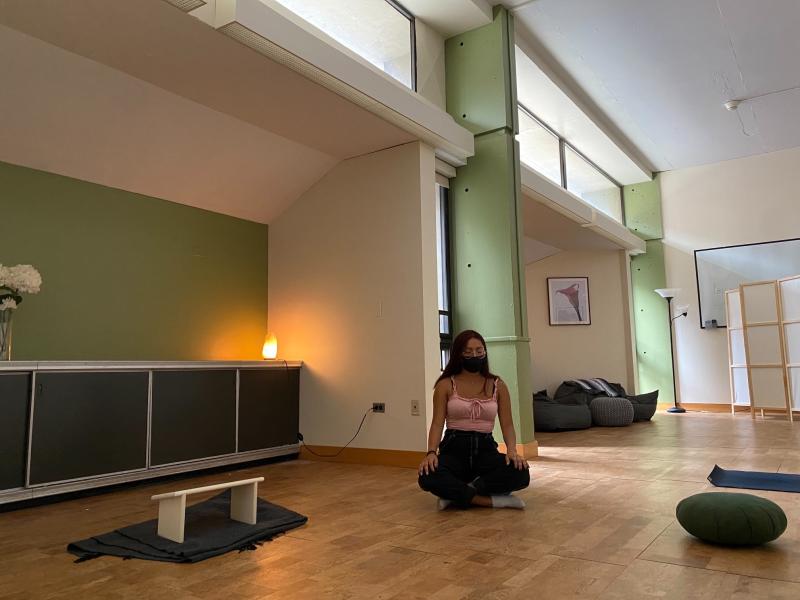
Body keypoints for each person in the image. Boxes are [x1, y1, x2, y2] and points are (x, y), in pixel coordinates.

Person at [418, 329, 530, 509]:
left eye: (479, 351)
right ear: (458, 354)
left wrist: (511, 451)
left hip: (485, 448)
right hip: (454, 448)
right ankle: (490, 500)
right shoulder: (446, 384)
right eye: (468, 351)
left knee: (521, 473)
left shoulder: (497, 385)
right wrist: (431, 452)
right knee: (427, 476)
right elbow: (438, 423)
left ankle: (456, 495)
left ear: (485, 353)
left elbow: (507, 424)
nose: (474, 355)